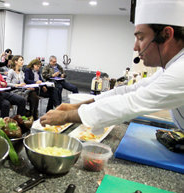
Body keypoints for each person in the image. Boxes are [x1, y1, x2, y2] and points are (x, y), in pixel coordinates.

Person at [40, 0, 184, 135]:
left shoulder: (180, 70)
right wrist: (76, 107)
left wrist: (67, 116)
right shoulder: (172, 66)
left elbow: (131, 102)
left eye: (140, 38)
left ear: (167, 34)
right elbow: (129, 90)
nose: (135, 46)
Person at [6, 55, 39, 119]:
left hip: (21, 90)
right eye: (21, 60)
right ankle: (23, 116)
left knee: (34, 95)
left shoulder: (21, 72)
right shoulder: (11, 71)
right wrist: (16, 85)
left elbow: (22, 84)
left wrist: (26, 87)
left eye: (22, 60)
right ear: (15, 61)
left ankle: (32, 115)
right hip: (14, 91)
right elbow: (7, 83)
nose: (22, 62)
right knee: (29, 96)